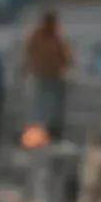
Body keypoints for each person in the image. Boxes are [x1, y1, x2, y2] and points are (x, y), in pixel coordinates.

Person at [24, 10, 73, 142]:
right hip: (40, 77)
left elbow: (66, 57)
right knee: (40, 107)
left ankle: (55, 132)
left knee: (56, 107)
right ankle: (38, 134)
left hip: (55, 77)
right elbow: (28, 54)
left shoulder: (57, 37)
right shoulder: (36, 36)